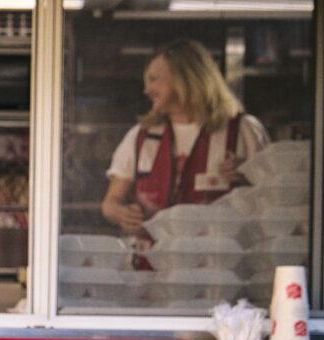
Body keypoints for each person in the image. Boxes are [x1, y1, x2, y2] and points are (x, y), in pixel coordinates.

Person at [102, 38, 270, 238]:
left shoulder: (243, 131)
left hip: (218, 265)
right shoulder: (141, 136)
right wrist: (122, 214)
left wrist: (248, 173)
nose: (147, 91)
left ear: (186, 78)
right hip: (153, 266)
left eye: (154, 79)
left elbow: (273, 198)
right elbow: (110, 203)